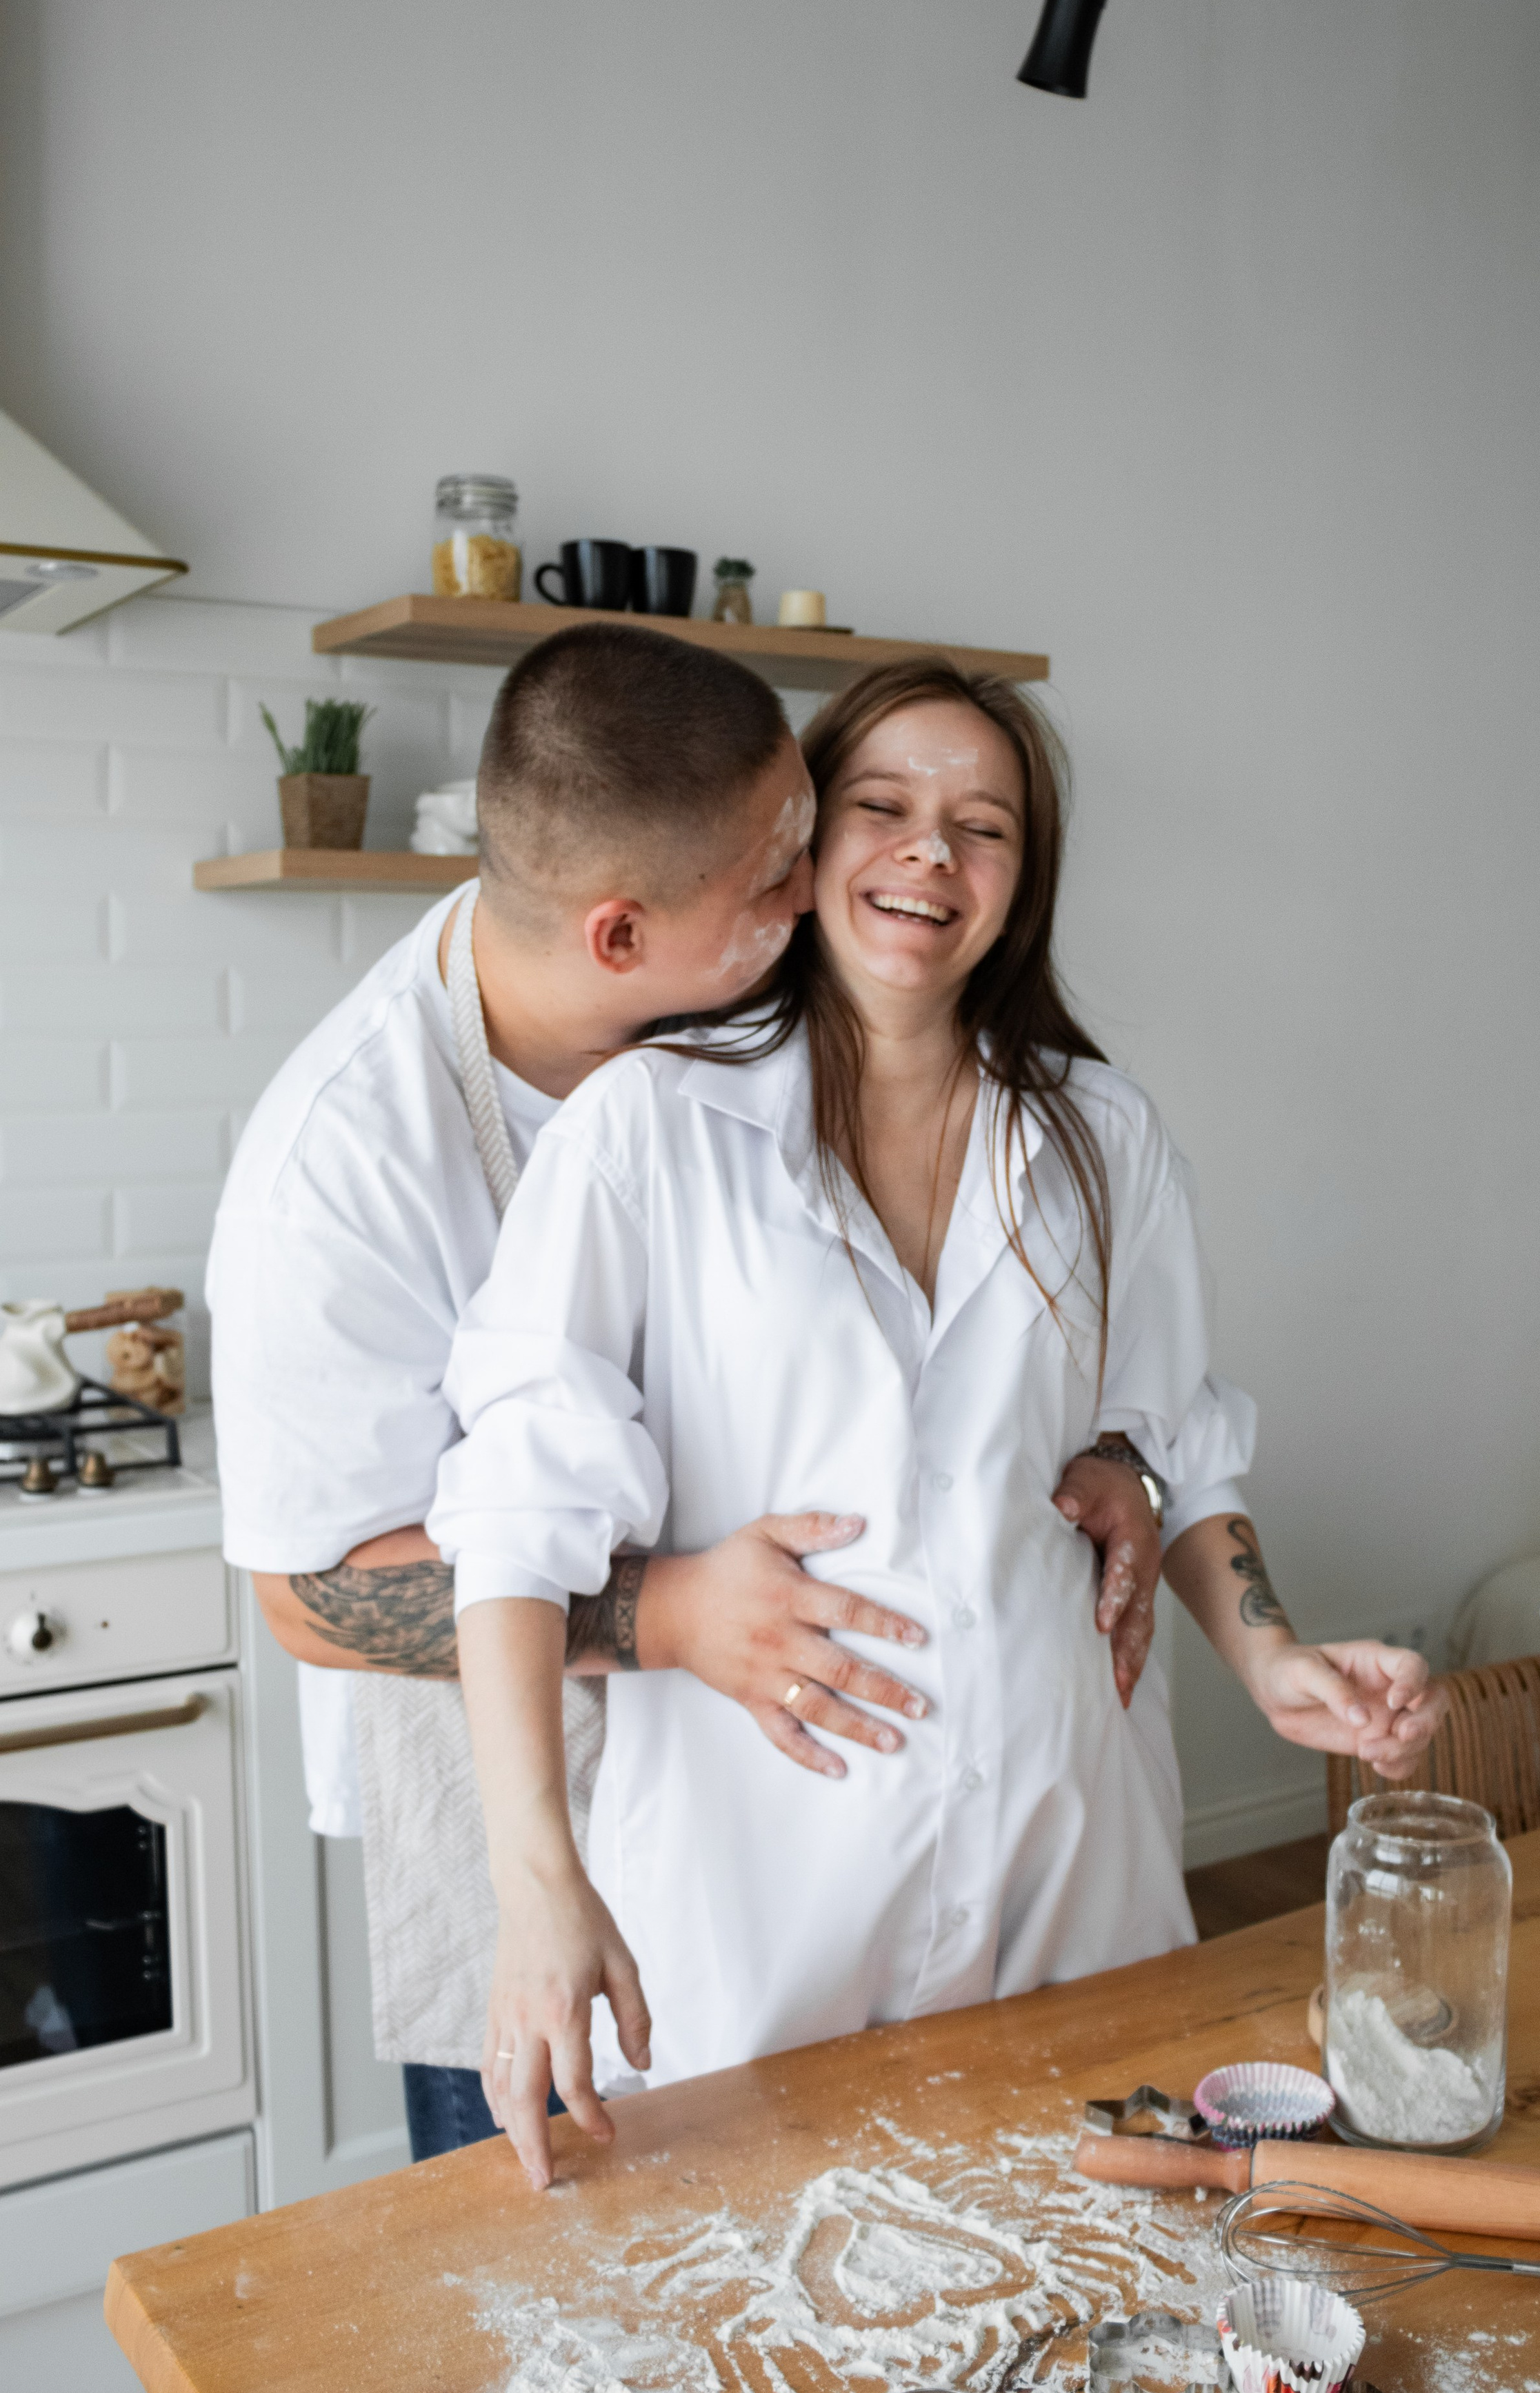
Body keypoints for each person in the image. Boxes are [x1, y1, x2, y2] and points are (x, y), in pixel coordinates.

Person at [430, 657, 1447, 2187]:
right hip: (764, 1889)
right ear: (798, 847)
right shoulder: (648, 1131)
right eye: (883, 809)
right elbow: (513, 1524)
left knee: (1082, 2303)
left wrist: (1270, 1652)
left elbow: (1172, 1452)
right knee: (770, 2336)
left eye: (983, 827)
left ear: (1018, 885)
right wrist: (536, 1886)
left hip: (1065, 1850)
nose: (930, 853)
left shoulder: (1103, 1139)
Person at [208, 625, 1163, 2160]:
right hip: (494, 1769)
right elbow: (310, 1593)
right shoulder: (339, 1163)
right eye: (775, 880)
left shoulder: (747, 1042)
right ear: (617, 937)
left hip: (773, 1782)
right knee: (557, 2230)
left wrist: (1113, 1452)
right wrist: (668, 1620)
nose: (819, 895)